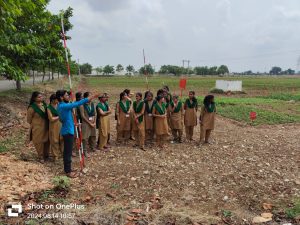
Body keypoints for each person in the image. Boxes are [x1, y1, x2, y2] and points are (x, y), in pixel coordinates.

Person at [56, 90, 98, 178]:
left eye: (68, 95)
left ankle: (69, 169)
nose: (68, 96)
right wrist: (89, 98)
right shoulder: (63, 106)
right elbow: (76, 104)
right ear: (61, 97)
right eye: (66, 95)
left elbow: (64, 119)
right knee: (67, 152)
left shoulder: (61, 106)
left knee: (68, 151)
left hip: (68, 129)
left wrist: (74, 123)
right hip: (67, 131)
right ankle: (68, 171)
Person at [27, 91, 49, 163]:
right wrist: (35, 123)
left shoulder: (44, 105)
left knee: (46, 140)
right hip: (37, 127)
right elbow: (29, 120)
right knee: (38, 141)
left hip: (46, 125)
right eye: (39, 97)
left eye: (41, 96)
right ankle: (40, 156)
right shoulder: (32, 108)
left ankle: (46, 155)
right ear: (34, 98)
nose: (41, 98)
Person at [80, 92, 97, 158]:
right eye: (90, 96)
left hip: (93, 122)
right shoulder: (82, 105)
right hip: (86, 123)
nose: (91, 97)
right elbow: (83, 116)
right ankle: (84, 151)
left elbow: (95, 113)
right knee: (85, 137)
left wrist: (94, 122)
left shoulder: (93, 104)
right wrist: (89, 123)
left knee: (93, 135)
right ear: (85, 97)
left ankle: (93, 147)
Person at [47, 94, 63, 161]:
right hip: (53, 126)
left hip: (61, 124)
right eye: (57, 99)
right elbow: (51, 118)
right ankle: (55, 156)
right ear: (53, 100)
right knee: (54, 140)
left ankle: (62, 153)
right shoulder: (49, 108)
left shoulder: (59, 106)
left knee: (62, 139)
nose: (58, 101)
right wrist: (59, 116)